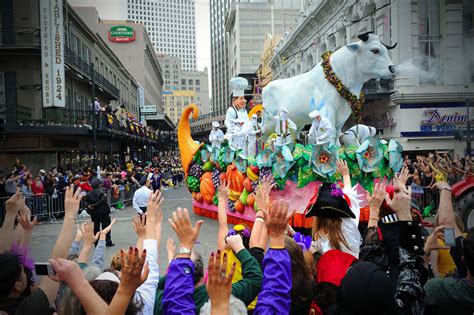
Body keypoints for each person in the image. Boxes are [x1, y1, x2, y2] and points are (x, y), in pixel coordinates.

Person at [85, 178, 115, 247]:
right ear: (99, 184)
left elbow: (86, 202)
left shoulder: (88, 193)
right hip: (103, 212)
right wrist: (94, 205)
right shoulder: (102, 192)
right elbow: (102, 200)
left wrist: (90, 206)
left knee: (96, 228)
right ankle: (107, 241)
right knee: (106, 227)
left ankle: (96, 242)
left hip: (94, 213)